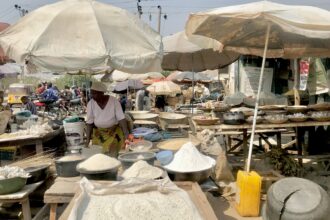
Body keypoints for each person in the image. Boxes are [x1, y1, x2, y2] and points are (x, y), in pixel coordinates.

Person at [86, 81, 129, 157]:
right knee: (98, 156)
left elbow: (121, 119)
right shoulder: (91, 104)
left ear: (101, 93)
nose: (92, 96)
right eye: (91, 93)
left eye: (94, 93)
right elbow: (89, 123)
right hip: (99, 134)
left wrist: (126, 136)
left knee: (112, 155)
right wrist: (87, 140)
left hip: (113, 132)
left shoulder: (114, 101)